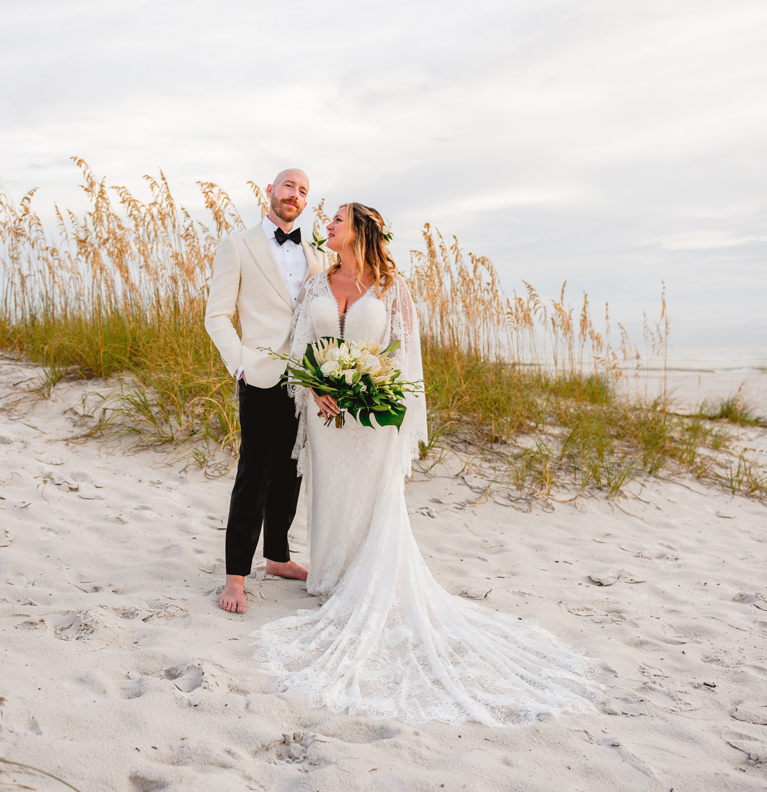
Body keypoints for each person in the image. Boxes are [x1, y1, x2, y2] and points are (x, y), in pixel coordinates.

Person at [251, 203, 601, 726]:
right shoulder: (316, 285)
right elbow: (301, 348)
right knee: (329, 493)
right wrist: (316, 389)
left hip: (370, 420)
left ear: (361, 232)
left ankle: (363, 582)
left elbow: (403, 357)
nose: (327, 226)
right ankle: (329, 577)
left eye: (337, 220)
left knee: (371, 499)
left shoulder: (394, 286)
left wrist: (369, 394)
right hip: (326, 419)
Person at [204, 168, 328, 614]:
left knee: (291, 473)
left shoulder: (315, 255)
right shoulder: (238, 245)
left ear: (306, 203)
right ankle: (235, 575)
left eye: (303, 191)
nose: (295, 195)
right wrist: (239, 363)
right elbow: (216, 315)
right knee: (254, 473)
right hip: (258, 374)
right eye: (289, 186)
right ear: (269, 192)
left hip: (304, 380)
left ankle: (277, 557)